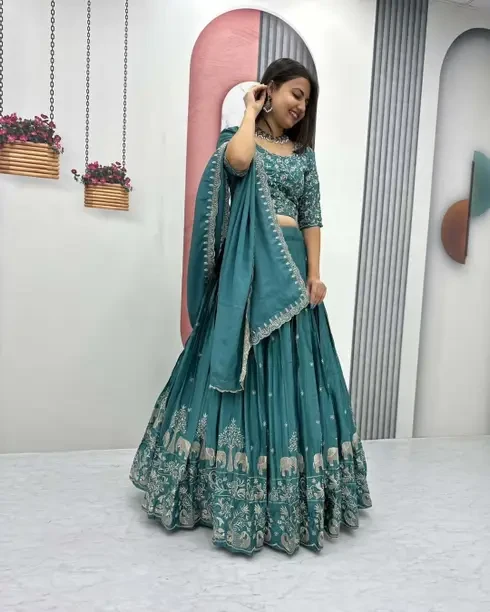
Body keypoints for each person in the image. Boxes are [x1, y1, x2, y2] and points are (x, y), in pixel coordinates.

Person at [130, 58, 372, 556]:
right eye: (295, 94)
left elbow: (312, 217)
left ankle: (289, 492)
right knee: (235, 372)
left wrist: (315, 273)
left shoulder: (304, 156)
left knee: (295, 376)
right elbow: (237, 163)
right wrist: (247, 111)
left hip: (291, 276)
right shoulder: (238, 137)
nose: (300, 106)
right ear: (270, 90)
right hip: (246, 271)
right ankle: (220, 489)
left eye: (307, 101)